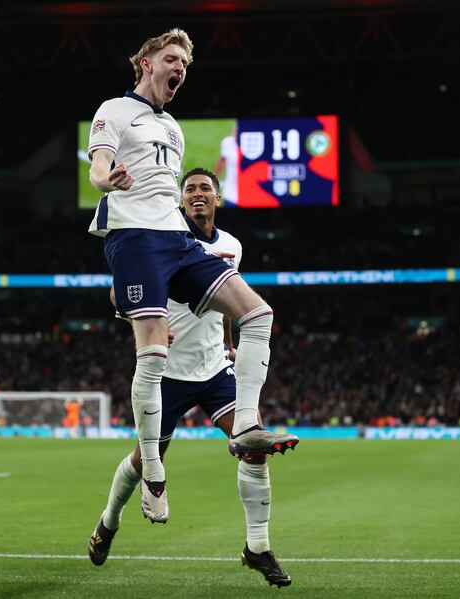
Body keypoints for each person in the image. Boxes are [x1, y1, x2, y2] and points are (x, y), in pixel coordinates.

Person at [87, 29, 298, 525]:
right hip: (135, 237)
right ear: (145, 63)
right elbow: (98, 165)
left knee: (259, 313)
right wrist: (105, 179)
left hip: (176, 241)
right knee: (154, 350)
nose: (179, 67)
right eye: (171, 58)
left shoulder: (175, 129)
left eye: (184, 62)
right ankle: (154, 472)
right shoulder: (114, 111)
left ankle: (246, 423)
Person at [88, 168, 291, 587]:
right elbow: (119, 290)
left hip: (215, 368)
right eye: (190, 190)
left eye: (205, 189)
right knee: (146, 460)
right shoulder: (158, 236)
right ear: (180, 201)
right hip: (168, 374)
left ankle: (258, 547)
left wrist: (232, 342)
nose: (197, 195)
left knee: (252, 446)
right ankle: (108, 522)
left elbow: (227, 298)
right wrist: (143, 320)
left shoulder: (232, 246)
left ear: (218, 199)